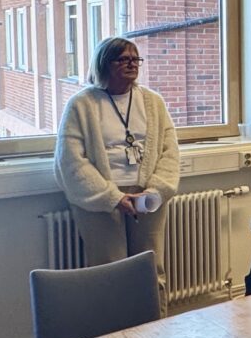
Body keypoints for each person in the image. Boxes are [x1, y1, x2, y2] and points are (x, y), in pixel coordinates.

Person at [54, 36, 179, 316]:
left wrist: (155, 191)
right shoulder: (81, 104)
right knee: (109, 272)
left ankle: (155, 327)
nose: (132, 64)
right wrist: (112, 197)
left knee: (150, 269)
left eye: (135, 59)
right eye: (123, 59)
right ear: (104, 64)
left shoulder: (153, 102)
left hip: (147, 197)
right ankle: (112, 335)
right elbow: (70, 161)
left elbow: (170, 151)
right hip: (101, 200)